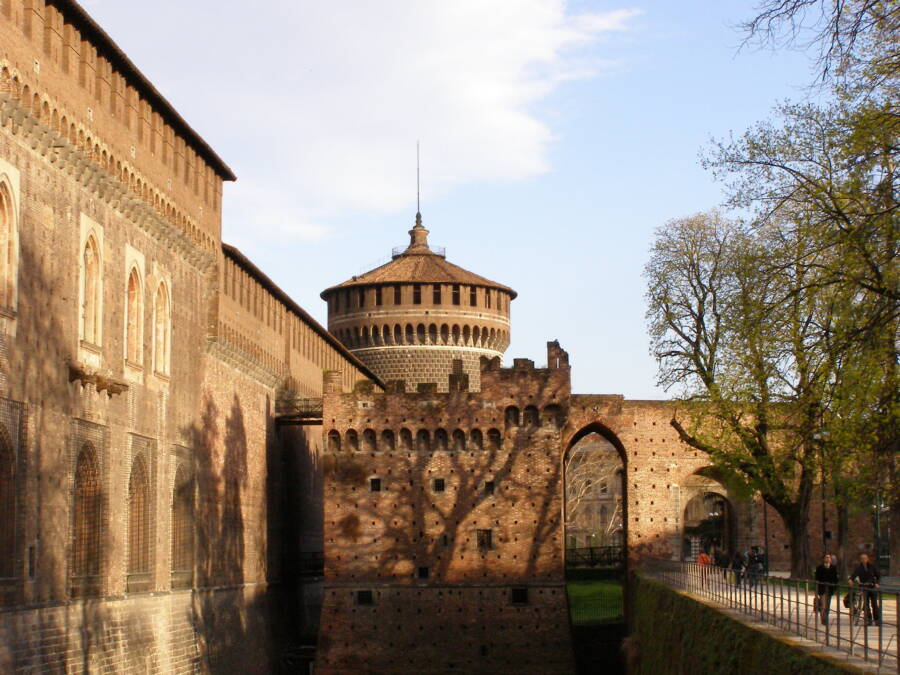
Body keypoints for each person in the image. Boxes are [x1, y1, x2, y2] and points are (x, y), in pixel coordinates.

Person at [849, 553, 881, 625]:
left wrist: (877, 583)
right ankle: (869, 620)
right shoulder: (859, 568)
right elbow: (854, 575)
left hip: (872, 587)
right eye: (862, 559)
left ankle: (877, 620)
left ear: (867, 559)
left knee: (874, 604)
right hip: (864, 587)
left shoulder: (872, 566)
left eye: (865, 558)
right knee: (866, 604)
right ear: (860, 560)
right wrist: (851, 579)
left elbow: (878, 576)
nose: (863, 560)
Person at [814, 554, 839, 625]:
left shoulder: (833, 568)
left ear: (831, 559)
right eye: (826, 557)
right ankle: (824, 619)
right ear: (823, 559)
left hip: (830, 589)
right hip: (822, 588)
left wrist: (835, 588)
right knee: (824, 605)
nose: (828, 559)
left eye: (829, 558)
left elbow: (835, 579)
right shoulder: (820, 567)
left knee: (828, 605)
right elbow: (817, 578)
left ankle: (825, 618)